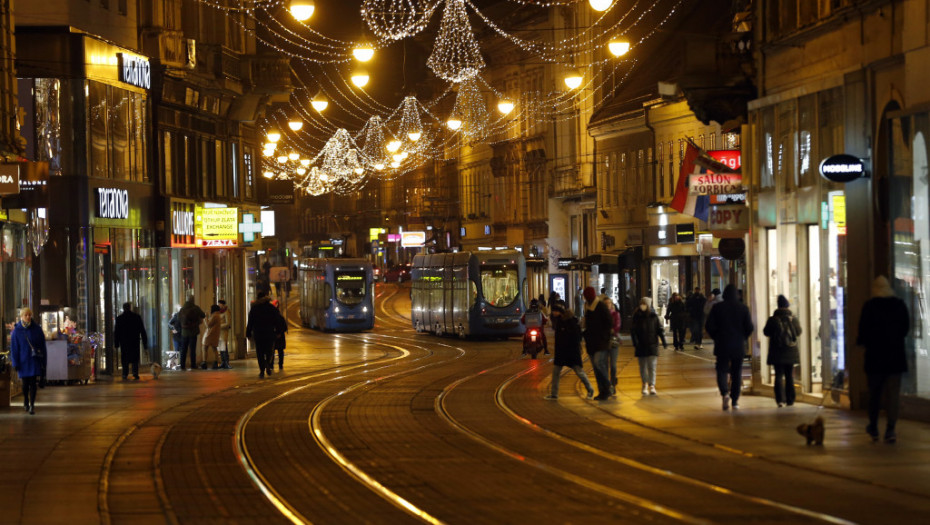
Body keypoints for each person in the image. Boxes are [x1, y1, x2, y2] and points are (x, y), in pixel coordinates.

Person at [856, 276, 910, 443]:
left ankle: (873, 426)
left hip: (875, 359)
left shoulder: (870, 306)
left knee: (875, 393)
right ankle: (890, 429)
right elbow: (905, 328)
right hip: (895, 359)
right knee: (893, 395)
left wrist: (863, 342)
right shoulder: (899, 305)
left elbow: (862, 331)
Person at [705, 284, 754, 410]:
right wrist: (742, 338)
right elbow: (749, 328)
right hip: (738, 345)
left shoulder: (717, 308)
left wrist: (716, 337)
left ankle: (725, 393)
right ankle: (735, 400)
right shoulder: (743, 308)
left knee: (721, 369)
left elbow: (709, 326)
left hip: (722, 344)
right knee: (737, 372)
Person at [545, 304, 595, 400]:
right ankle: (554, 394)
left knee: (579, 372)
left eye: (554, 311)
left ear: (559, 312)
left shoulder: (571, 321)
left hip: (571, 352)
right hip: (562, 353)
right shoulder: (559, 321)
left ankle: (590, 389)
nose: (553, 313)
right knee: (556, 372)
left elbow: (576, 337)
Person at [762, 295, 802, 407]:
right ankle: (790, 399)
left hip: (777, 351)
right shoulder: (793, 319)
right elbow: (798, 332)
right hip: (790, 351)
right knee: (789, 375)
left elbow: (766, 332)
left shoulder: (773, 319)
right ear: (787, 306)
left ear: (778, 305)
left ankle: (780, 400)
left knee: (778, 375)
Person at [9, 307, 46, 415]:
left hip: (34, 360)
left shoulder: (37, 329)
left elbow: (42, 346)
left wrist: (43, 361)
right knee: (25, 384)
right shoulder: (17, 331)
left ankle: (32, 404)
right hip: (23, 361)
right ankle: (26, 400)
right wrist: (15, 362)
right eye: (26, 315)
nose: (28, 317)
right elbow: (14, 348)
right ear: (22, 317)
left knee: (33, 383)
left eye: (29, 315)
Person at [582, 286, 613, 400]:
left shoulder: (600, 306)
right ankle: (603, 392)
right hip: (591, 343)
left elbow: (609, 321)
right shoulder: (588, 307)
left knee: (599, 364)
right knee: (596, 368)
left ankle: (608, 385)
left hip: (601, 342)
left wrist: (605, 336)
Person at [631, 297, 664, 395]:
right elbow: (633, 331)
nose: (643, 305)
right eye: (642, 303)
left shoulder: (654, 316)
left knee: (652, 366)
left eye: (645, 303)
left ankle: (652, 385)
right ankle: (644, 384)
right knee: (643, 367)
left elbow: (659, 329)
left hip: (652, 345)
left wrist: (663, 341)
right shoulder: (636, 316)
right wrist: (635, 342)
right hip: (641, 345)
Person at [246, 291, 281, 378]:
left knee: (260, 352)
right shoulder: (271, 308)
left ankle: (262, 370)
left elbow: (250, 322)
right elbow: (277, 320)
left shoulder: (254, 309)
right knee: (270, 351)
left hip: (258, 333)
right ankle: (268, 363)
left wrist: (248, 333)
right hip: (269, 333)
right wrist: (278, 332)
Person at [113, 302, 148, 381]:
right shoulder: (136, 317)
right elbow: (142, 331)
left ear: (123, 308)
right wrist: (145, 344)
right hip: (134, 341)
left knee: (125, 358)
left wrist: (116, 343)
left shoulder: (119, 319)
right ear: (130, 307)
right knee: (135, 358)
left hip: (124, 342)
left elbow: (117, 332)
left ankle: (125, 373)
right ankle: (135, 373)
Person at [178, 297, 206, 370]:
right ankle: (193, 365)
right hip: (193, 331)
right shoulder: (195, 308)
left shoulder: (182, 309)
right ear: (193, 301)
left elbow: (178, 318)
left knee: (183, 349)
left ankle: (182, 365)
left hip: (184, 332)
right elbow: (203, 315)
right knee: (192, 349)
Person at [605, 297, 622, 395]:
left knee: (613, 364)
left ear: (612, 304)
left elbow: (617, 326)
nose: (607, 305)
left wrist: (611, 330)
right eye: (606, 303)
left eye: (609, 303)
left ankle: (612, 383)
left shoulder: (615, 314)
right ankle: (608, 384)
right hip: (604, 341)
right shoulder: (602, 315)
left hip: (613, 341)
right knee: (604, 364)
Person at [201, 305, 223, 370]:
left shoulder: (215, 316)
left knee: (205, 347)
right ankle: (216, 362)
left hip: (210, 334)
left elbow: (208, 325)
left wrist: (206, 317)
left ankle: (204, 362)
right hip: (214, 334)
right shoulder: (218, 315)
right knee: (214, 348)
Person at [218, 300, 232, 369]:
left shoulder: (226, 312)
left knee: (224, 347)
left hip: (224, 332)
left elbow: (228, 323)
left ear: (223, 305)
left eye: (220, 304)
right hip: (219, 333)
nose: (219, 305)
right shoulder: (219, 312)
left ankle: (226, 362)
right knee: (221, 347)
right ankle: (222, 362)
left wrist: (219, 325)